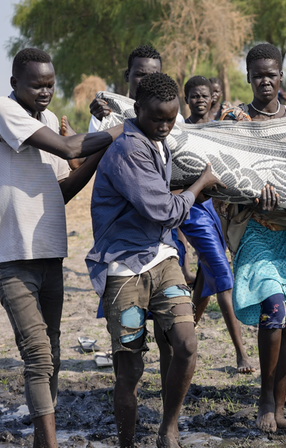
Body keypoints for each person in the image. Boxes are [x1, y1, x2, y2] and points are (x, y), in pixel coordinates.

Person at [85, 72, 225, 448]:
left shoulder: (159, 142)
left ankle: (169, 427)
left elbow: (167, 197)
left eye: (170, 118)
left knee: (186, 344)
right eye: (157, 118)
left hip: (162, 258)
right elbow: (163, 208)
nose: (164, 126)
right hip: (124, 266)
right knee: (129, 368)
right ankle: (128, 442)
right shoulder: (129, 147)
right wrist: (201, 186)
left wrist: (205, 190)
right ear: (137, 109)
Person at [0, 48, 122, 448]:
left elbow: (63, 189)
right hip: (11, 256)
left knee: (50, 348)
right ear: (15, 83)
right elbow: (71, 150)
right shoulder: (5, 111)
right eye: (36, 85)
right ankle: (49, 443)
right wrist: (117, 133)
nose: (45, 92)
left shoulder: (50, 120)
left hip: (49, 252)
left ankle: (41, 440)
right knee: (36, 352)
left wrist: (99, 149)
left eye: (50, 84)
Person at [226, 43, 286, 433]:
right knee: (274, 310)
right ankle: (264, 400)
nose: (266, 80)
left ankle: (280, 408)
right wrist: (253, 192)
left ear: (282, 77)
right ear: (249, 77)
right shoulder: (236, 118)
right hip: (257, 230)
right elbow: (223, 170)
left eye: (272, 74)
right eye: (258, 74)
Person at [176, 75, 254, 373]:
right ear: (187, 99)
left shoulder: (219, 129)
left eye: (204, 96)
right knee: (222, 272)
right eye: (193, 95)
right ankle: (241, 352)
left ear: (212, 99)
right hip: (193, 209)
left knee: (206, 274)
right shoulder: (179, 130)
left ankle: (183, 340)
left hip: (216, 209)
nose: (199, 100)